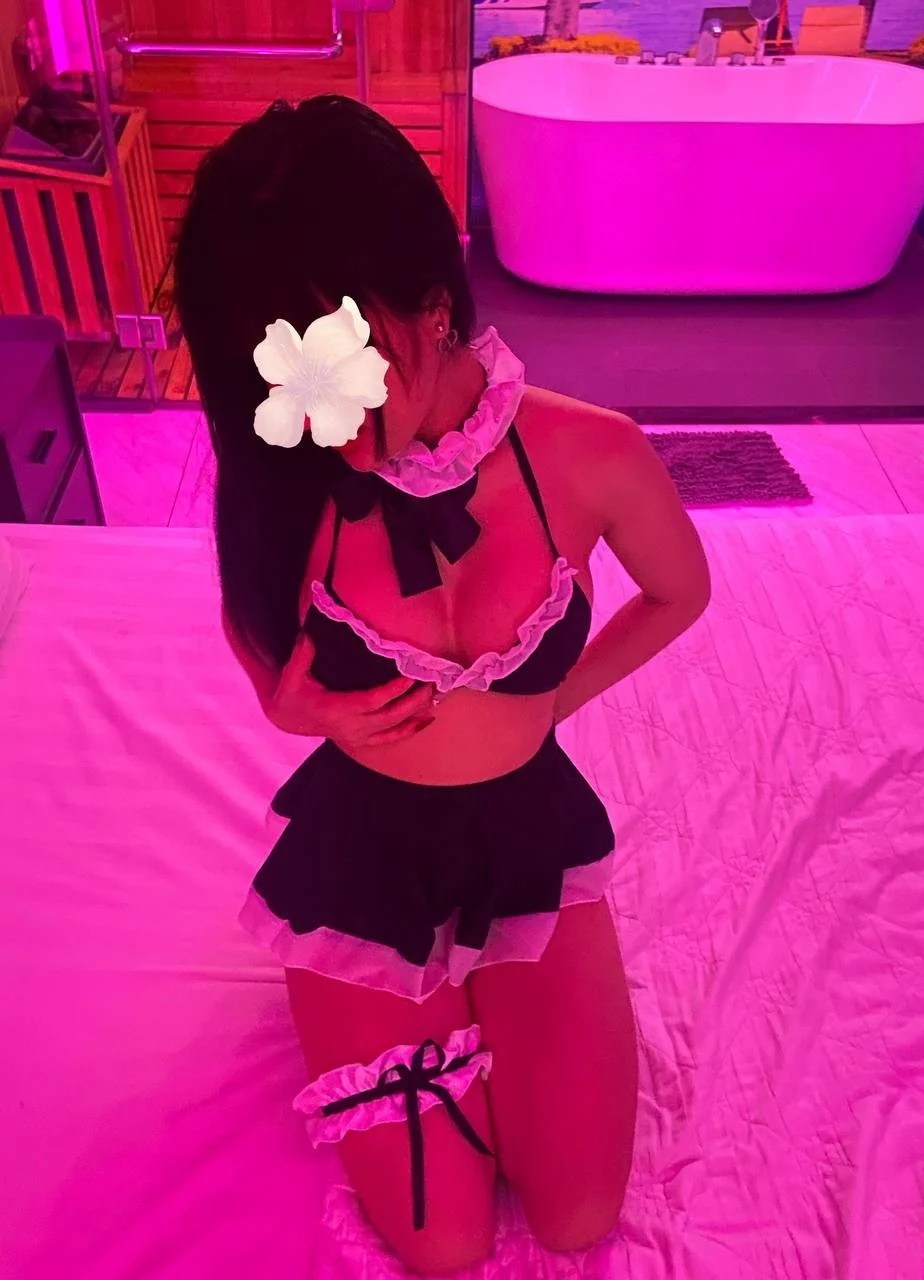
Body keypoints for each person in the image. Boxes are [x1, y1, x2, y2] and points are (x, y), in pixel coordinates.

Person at [174, 95, 711, 1277]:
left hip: (525, 835)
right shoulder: (284, 477)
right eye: (294, 389)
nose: (329, 431)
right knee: (445, 1241)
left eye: (349, 376)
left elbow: (681, 592)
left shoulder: (593, 453)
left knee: (577, 1211)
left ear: (433, 306)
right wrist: (286, 705)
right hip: (363, 855)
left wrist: (553, 700)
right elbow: (248, 619)